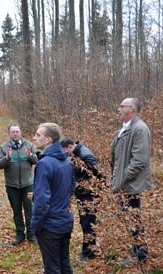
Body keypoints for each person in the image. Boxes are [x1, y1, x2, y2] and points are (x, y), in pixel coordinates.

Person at [111, 98, 152, 263]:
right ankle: (136, 252)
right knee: (130, 219)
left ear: (132, 109)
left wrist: (120, 181)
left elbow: (139, 161)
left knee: (134, 219)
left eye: (122, 106)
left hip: (131, 185)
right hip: (123, 184)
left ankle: (140, 256)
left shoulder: (139, 129)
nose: (118, 109)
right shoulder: (123, 129)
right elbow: (118, 158)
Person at [31, 123, 74, 274]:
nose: (34, 138)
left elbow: (42, 201)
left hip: (50, 226)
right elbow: (70, 191)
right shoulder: (67, 161)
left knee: (52, 269)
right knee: (64, 264)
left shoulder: (44, 163)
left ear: (48, 139)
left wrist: (35, 225)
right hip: (65, 221)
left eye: (38, 135)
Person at [61, 138, 102, 262]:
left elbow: (98, 174)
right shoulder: (77, 154)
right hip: (83, 193)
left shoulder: (86, 155)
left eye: (65, 151)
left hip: (88, 195)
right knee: (85, 223)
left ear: (69, 147)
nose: (65, 154)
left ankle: (89, 254)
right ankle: (89, 251)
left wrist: (95, 192)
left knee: (88, 224)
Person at [0, 124, 38, 245]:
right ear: (9, 133)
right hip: (12, 185)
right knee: (17, 211)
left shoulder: (29, 145)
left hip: (28, 184)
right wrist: (7, 158)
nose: (15, 134)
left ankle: (31, 235)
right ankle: (20, 235)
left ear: (20, 132)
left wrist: (30, 155)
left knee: (30, 210)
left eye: (17, 131)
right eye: (13, 132)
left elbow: (37, 160)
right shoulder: (4, 147)